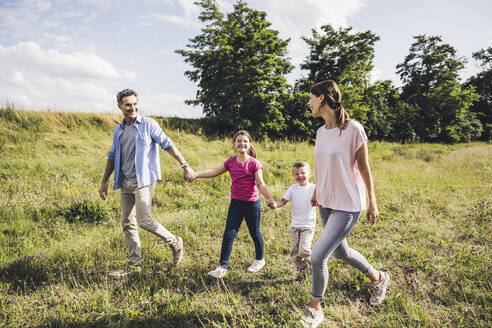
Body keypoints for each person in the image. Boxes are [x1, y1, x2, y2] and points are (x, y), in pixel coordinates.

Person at [299, 80, 390, 327]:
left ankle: (315, 308)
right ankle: (379, 277)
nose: (308, 104)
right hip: (326, 201)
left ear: (322, 98)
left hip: (348, 205)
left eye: (311, 98)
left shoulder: (354, 130)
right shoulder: (320, 132)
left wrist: (373, 201)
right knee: (342, 252)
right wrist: (317, 190)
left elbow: (364, 167)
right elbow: (323, 167)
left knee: (318, 257)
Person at [98, 88, 194, 277]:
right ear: (120, 107)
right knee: (127, 222)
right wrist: (104, 182)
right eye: (127, 105)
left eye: (134, 104)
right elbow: (112, 156)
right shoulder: (118, 130)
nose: (132, 108)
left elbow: (167, 144)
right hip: (124, 181)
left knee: (143, 220)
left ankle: (174, 241)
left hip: (144, 180)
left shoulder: (148, 125)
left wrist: (185, 165)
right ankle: (135, 264)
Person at [191, 130, 276, 279]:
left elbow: (260, 184)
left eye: (245, 141)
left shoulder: (254, 163)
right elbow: (214, 172)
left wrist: (269, 197)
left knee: (255, 233)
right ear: (234, 144)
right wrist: (196, 174)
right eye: (239, 141)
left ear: (250, 144)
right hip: (236, 204)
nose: (242, 143)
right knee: (229, 234)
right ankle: (222, 267)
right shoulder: (231, 162)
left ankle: (259, 259)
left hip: (252, 204)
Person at [273, 161, 316, 277]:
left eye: (303, 173)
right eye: (297, 174)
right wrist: (275, 204)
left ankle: (317, 266)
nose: (300, 176)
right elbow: (283, 200)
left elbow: (323, 200)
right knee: (295, 252)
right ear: (293, 176)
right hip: (295, 225)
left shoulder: (314, 189)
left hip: (308, 225)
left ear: (309, 174)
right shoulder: (293, 188)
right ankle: (302, 272)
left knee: (304, 250)